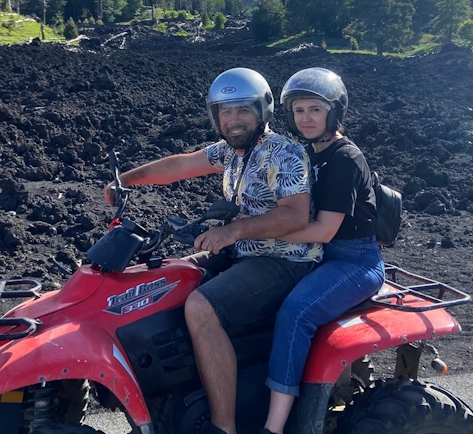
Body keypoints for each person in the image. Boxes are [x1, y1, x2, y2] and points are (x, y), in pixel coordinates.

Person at [102, 67, 322, 434]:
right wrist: (125, 180)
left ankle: (223, 427)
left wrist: (231, 231)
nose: (233, 120)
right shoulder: (231, 151)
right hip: (246, 251)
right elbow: (183, 164)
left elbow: (295, 215)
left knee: (201, 308)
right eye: (225, 111)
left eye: (242, 110)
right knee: (167, 278)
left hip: (284, 259)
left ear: (262, 111)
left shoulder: (283, 152)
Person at [261, 67, 386, 434]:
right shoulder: (309, 153)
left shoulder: (344, 159)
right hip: (320, 254)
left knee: (295, 314)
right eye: (299, 110)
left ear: (334, 113)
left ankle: (275, 426)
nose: (306, 118)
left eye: (315, 109)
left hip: (352, 259)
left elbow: (324, 230)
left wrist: (261, 236)